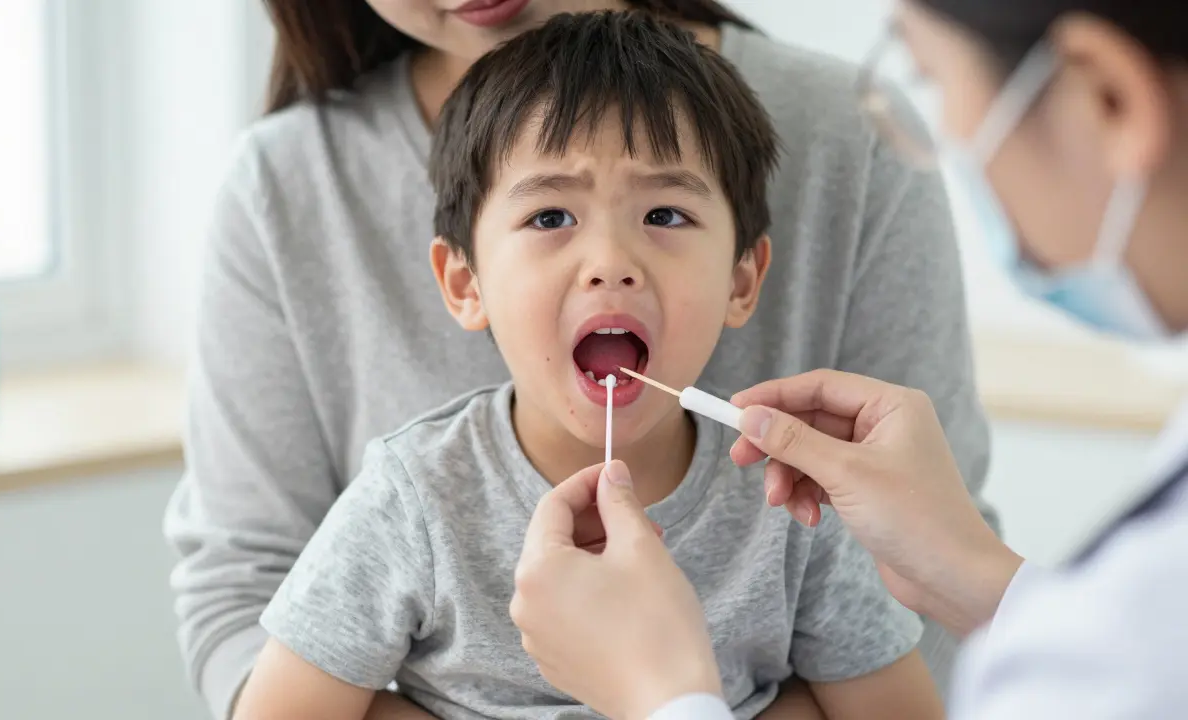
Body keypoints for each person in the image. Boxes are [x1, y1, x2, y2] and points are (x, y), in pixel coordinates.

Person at [163, 0, 996, 717]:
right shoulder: (409, 500)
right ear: (462, 281)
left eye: (665, 215)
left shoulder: (801, 511)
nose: (610, 261)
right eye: (551, 218)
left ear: (746, 278)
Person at [509, 0, 1188, 718]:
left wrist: (663, 695)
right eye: (550, 217)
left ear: (1109, 98)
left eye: (932, 78)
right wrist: (971, 572)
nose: (610, 264)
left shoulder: (1131, 640)